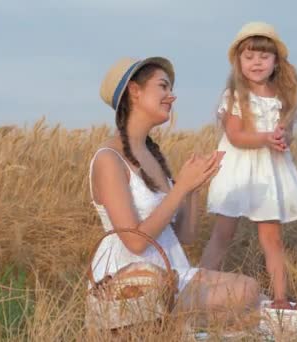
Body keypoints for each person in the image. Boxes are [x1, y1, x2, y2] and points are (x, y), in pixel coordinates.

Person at [89, 56, 259, 322]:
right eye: (163, 86)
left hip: (169, 273)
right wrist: (180, 189)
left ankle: (176, 328)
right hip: (131, 284)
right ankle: (170, 328)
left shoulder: (152, 155)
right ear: (135, 91)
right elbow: (134, 241)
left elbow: (184, 236)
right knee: (245, 298)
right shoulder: (108, 159)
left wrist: (193, 189)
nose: (172, 96)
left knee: (249, 289)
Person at [199, 22, 297, 310]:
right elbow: (236, 136)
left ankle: (279, 297)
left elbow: (285, 132)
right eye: (249, 57)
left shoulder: (281, 97)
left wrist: (281, 138)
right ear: (239, 62)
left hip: (268, 172)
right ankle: (196, 286)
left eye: (264, 57)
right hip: (239, 171)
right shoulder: (235, 96)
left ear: (276, 61)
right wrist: (265, 137)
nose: (257, 63)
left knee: (272, 237)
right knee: (223, 233)